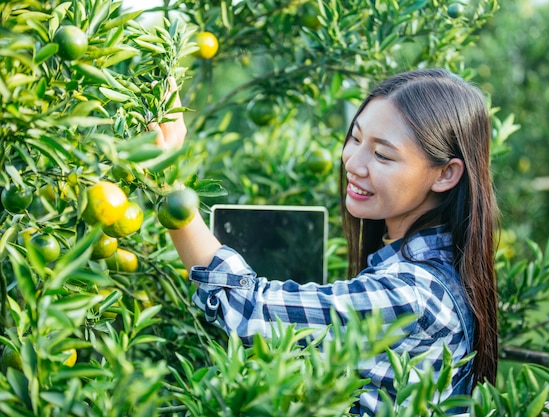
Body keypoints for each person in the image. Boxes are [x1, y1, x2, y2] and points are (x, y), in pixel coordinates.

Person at [154, 68, 500, 415]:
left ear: (445, 174)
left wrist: (170, 182)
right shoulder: (429, 270)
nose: (354, 162)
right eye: (356, 138)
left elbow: (249, 310)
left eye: (382, 155)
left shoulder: (412, 294)